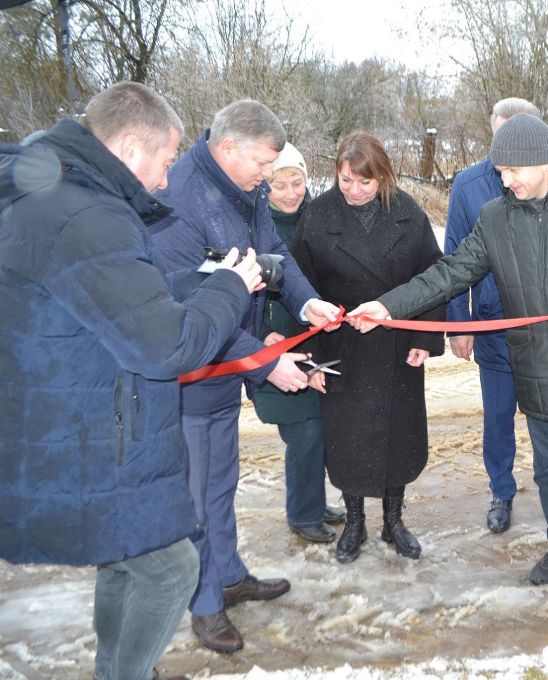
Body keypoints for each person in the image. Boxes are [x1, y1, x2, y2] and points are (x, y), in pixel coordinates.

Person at [0, 82, 263, 680]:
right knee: (169, 569)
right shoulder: (88, 217)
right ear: (128, 148)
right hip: (83, 435)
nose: (167, 179)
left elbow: (103, 304)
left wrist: (197, 285)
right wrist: (229, 288)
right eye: (166, 161)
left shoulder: (63, 199)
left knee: (126, 562)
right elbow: (166, 346)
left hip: (71, 423)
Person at [348, 114, 548, 603]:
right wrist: (388, 306)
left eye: (512, 170)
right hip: (536, 360)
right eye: (500, 171)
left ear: (542, 162)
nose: (504, 180)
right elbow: (450, 273)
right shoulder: (496, 216)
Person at [150, 100, 341, 654]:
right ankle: (204, 604)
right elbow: (185, 307)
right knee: (193, 493)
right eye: (262, 164)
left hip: (226, 371)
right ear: (227, 147)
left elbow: (273, 254)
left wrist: (308, 306)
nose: (269, 177)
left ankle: (228, 575)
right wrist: (265, 359)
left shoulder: (244, 187)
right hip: (189, 374)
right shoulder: (176, 200)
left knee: (220, 484)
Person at [445, 97, 548, 534]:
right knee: (498, 416)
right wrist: (459, 324)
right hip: (495, 326)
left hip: (546, 327)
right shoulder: (469, 185)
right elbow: (455, 255)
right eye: (502, 138)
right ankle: (501, 491)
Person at [292, 132, 445, 564]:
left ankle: (394, 521)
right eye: (345, 181)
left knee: (397, 437)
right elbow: (298, 289)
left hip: (397, 344)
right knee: (349, 441)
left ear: (384, 177)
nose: (355, 191)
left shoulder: (407, 212)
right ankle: (355, 521)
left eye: (365, 182)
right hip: (339, 347)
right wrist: (309, 361)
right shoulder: (317, 216)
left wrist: (425, 338)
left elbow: (432, 276)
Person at [250, 143, 346, 543]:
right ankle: (303, 515)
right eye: (279, 184)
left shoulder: (319, 217)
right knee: (303, 430)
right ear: (264, 185)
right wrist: (258, 334)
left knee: (320, 426)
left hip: (317, 340)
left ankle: (312, 499)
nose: (290, 193)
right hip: (274, 347)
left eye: (298, 182)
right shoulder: (251, 225)